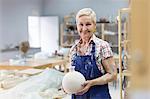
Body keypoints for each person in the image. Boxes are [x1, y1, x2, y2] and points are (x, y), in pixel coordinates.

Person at [69, 8, 117, 99]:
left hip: (98, 95)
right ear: (77, 26)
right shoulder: (73, 49)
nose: (84, 28)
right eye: (81, 24)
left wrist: (91, 83)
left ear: (94, 25)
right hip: (78, 96)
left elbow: (113, 75)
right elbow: (71, 75)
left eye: (88, 24)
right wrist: (66, 85)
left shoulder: (102, 46)